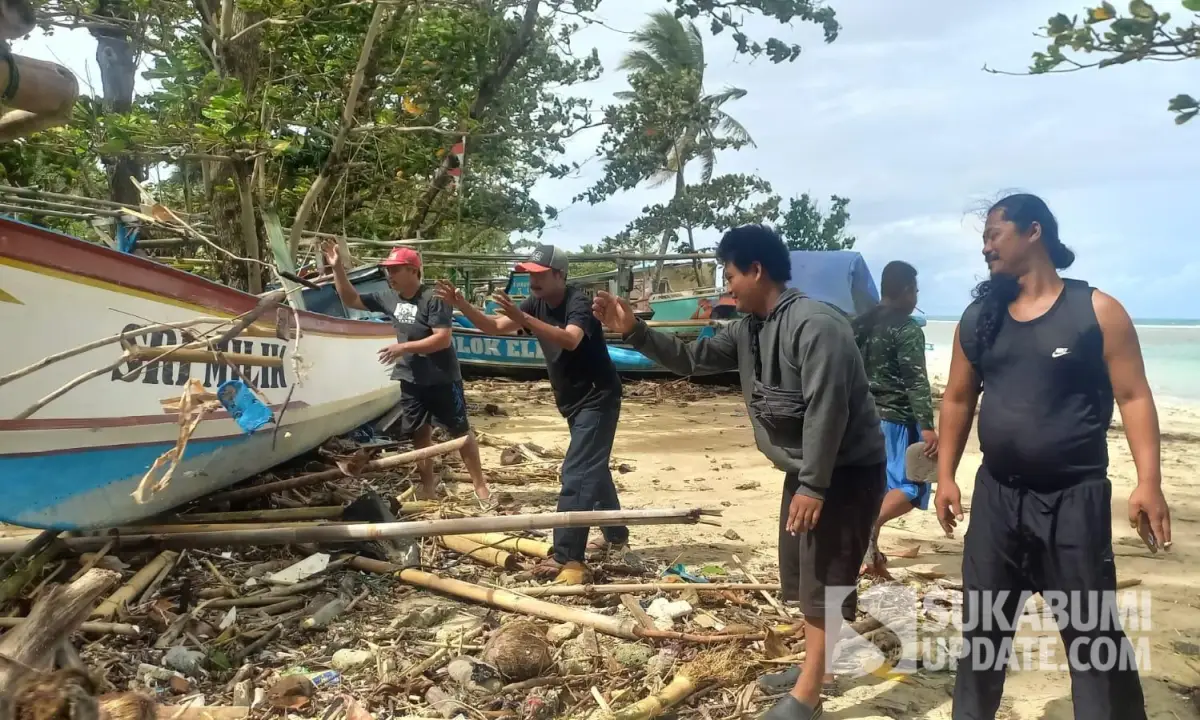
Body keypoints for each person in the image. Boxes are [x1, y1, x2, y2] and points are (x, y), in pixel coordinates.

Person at [593, 225, 886, 720]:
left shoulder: (817, 326)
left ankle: (809, 694)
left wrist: (814, 485)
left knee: (826, 580)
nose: (726, 287)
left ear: (757, 269)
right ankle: (822, 668)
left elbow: (826, 411)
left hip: (843, 473)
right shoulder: (750, 328)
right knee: (805, 577)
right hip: (808, 471)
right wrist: (637, 332)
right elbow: (693, 359)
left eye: (730, 275)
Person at [935, 193, 1170, 719]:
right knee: (983, 634)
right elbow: (956, 398)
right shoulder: (979, 319)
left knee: (1092, 636)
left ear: (1033, 232)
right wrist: (946, 475)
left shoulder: (1096, 312)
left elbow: (1134, 397)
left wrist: (1148, 482)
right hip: (996, 499)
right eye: (983, 240)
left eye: (994, 235)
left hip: (1074, 502)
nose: (986, 249)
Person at [435, 245, 626, 584]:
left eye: (539, 274)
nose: (531, 280)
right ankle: (616, 536)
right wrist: (462, 305)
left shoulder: (576, 302)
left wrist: (524, 319)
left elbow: (570, 339)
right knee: (592, 468)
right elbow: (494, 326)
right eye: (529, 273)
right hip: (572, 401)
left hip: (598, 396)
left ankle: (567, 555)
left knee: (577, 470)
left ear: (559, 275)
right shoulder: (534, 303)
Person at [322, 242, 490, 502]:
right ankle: (428, 489)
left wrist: (403, 347)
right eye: (388, 270)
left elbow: (442, 339)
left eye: (396, 270)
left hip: (442, 377)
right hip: (411, 378)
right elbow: (350, 299)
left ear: (413, 270)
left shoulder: (435, 298)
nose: (390, 276)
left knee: (461, 432)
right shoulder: (387, 297)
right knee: (420, 434)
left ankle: (481, 487)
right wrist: (338, 269)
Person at [851, 261, 938, 579]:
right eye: (914, 289)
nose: (916, 296)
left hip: (863, 419)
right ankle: (869, 529)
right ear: (903, 290)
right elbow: (916, 380)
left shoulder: (859, 324)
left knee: (877, 487)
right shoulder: (906, 328)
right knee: (912, 486)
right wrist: (927, 425)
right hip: (899, 420)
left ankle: (870, 550)